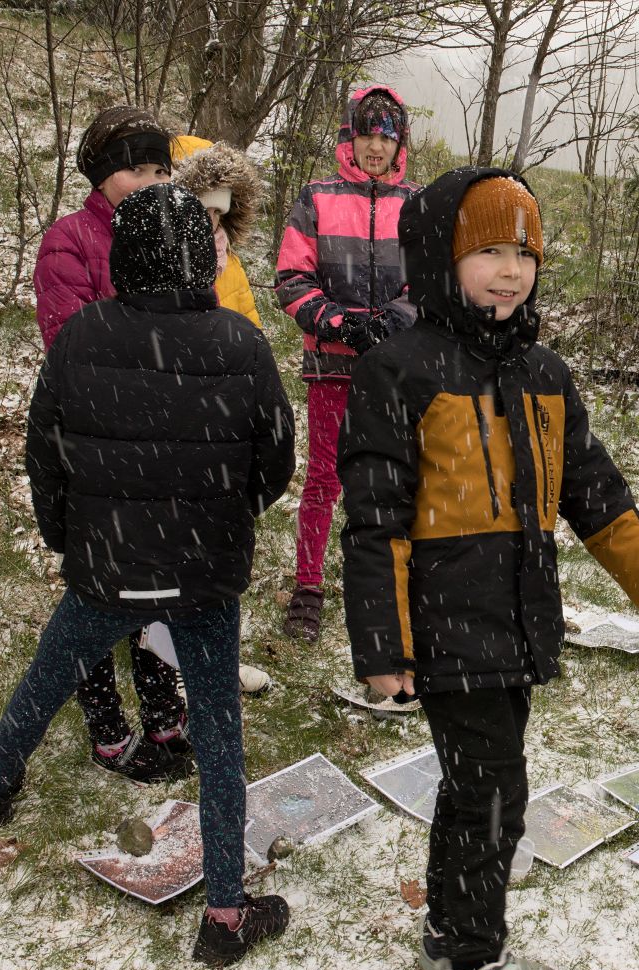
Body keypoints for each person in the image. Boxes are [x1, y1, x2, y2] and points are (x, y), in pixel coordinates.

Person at [340, 168, 639, 970]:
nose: (510, 272)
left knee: (476, 788)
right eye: (488, 252)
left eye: (524, 254)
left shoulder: (544, 372)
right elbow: (376, 522)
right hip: (444, 621)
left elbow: (595, 494)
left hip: (520, 617)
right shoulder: (398, 370)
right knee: (495, 794)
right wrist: (385, 646)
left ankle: (449, 934)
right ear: (442, 259)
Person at [0, 183, 296, 968]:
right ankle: (225, 913)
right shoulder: (241, 343)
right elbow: (275, 462)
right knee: (218, 732)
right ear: (202, 259)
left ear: (123, 257)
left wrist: (72, 541)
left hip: (106, 567)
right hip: (202, 575)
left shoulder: (82, 335)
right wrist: (228, 520)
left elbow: (44, 456)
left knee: (50, 674)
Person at [30, 105, 192, 783]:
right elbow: (69, 344)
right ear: (101, 175)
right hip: (95, 449)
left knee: (158, 586)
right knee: (98, 594)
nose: (151, 182)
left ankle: (163, 710)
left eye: (161, 170)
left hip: (161, 448)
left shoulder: (173, 237)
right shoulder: (69, 241)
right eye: (136, 169)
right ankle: (106, 727)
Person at [273, 85, 419, 643]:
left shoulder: (416, 203)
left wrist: (393, 322)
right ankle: (308, 587)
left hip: (396, 372)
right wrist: (337, 322)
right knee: (324, 478)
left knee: (395, 479)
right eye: (366, 135)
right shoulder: (316, 198)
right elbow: (292, 279)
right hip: (331, 368)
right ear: (349, 138)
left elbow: (429, 282)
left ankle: (391, 582)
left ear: (399, 143)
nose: (375, 147)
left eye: (386, 137)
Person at [172, 137, 267, 330]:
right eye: (200, 208)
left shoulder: (229, 263)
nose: (208, 220)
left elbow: (251, 328)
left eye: (216, 211)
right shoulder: (159, 262)